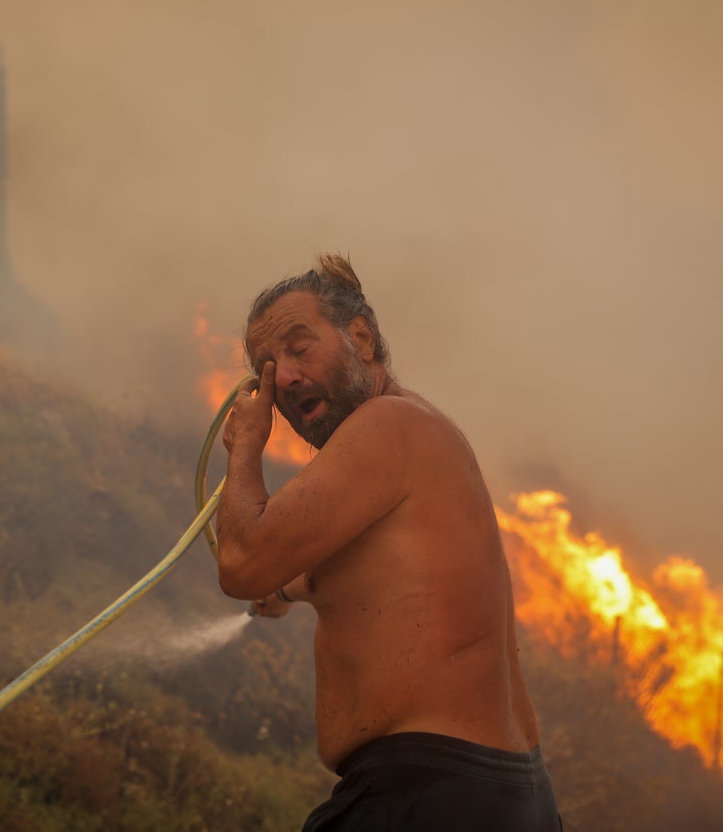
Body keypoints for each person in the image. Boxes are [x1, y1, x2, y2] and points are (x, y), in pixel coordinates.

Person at [217, 254, 562, 831]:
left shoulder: (388, 425)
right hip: (499, 797)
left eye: (300, 350)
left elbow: (242, 562)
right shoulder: (413, 437)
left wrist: (247, 444)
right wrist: (291, 588)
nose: (287, 377)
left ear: (362, 337)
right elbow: (348, 571)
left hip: (428, 793)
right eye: (269, 368)